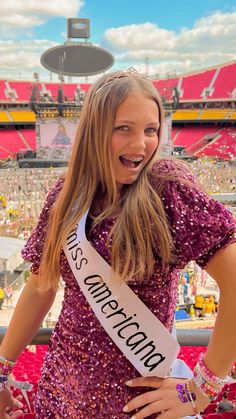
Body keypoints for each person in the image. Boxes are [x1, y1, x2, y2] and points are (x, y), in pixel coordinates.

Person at [0, 69, 236, 419]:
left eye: (150, 130)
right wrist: (1, 371)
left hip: (135, 406)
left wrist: (203, 387)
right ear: (94, 129)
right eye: (122, 128)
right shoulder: (65, 195)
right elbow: (40, 285)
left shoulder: (167, 192)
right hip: (59, 395)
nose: (140, 144)